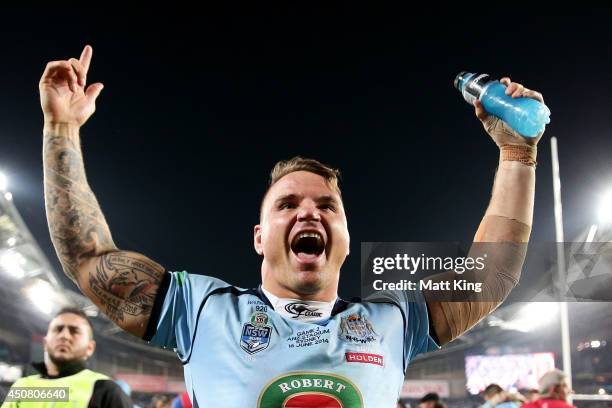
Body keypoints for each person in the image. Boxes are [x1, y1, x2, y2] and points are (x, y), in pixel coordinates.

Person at [40, 45, 545, 407]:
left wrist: (518, 153)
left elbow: (493, 274)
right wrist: (61, 130)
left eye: (327, 206)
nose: (310, 212)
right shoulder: (201, 311)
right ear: (259, 238)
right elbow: (90, 260)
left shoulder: (395, 322)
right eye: (287, 205)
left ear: (346, 239)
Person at [1, 308, 131, 407]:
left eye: (74, 331)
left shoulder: (105, 389)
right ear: (45, 343)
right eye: (58, 329)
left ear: (90, 348)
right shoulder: (23, 386)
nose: (65, 336)